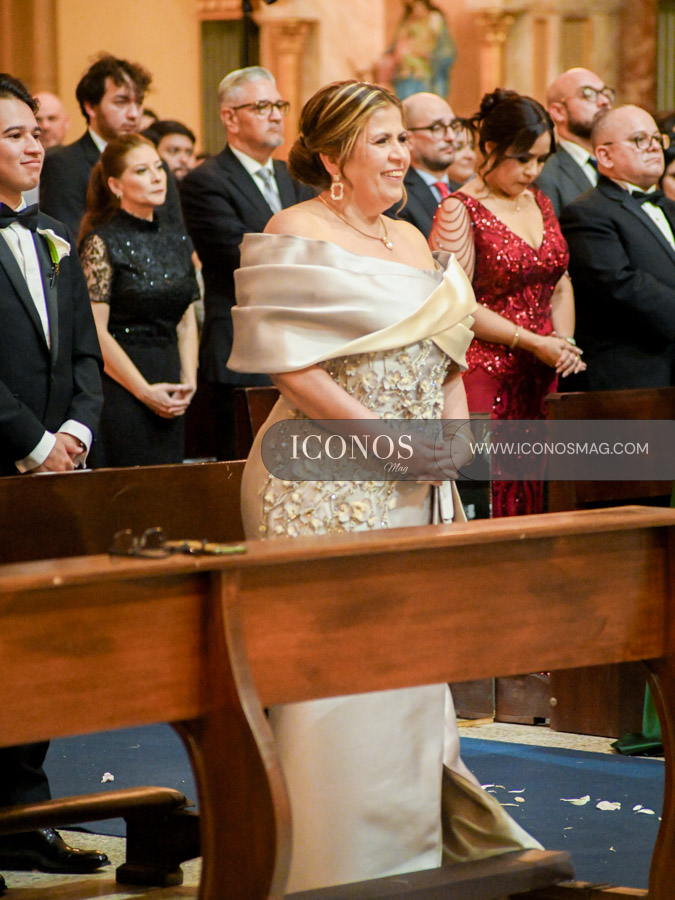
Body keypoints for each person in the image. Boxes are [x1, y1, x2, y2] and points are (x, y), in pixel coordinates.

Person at [228, 79, 542, 893]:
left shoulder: (407, 237)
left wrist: (452, 440)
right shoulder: (294, 230)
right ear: (334, 157)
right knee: (337, 681)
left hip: (414, 480)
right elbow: (291, 367)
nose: (402, 154)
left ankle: (411, 849)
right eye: (383, 141)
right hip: (322, 479)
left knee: (408, 668)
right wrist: (386, 442)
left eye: (403, 138)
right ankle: (331, 864)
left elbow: (446, 347)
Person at [0, 73, 107, 882]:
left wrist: (75, 428)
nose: (33, 146)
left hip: (52, 471)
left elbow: (82, 352)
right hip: (11, 458)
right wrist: (31, 441)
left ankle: (24, 818)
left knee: (35, 648)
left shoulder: (56, 234)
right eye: (13, 135)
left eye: (35, 133)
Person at [430, 89, 585, 516]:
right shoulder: (458, 210)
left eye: (541, 160)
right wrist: (532, 341)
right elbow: (454, 305)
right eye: (522, 158)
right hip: (484, 376)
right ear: (488, 147)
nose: (532, 171)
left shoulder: (540, 201)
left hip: (541, 374)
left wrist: (564, 341)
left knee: (541, 499)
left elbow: (560, 281)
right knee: (491, 500)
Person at [180, 65, 313, 460]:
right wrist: (309, 255)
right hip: (242, 347)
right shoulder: (206, 180)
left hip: (302, 345)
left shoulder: (293, 176)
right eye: (261, 106)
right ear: (230, 117)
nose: (275, 116)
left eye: (279, 106)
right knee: (246, 469)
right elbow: (242, 257)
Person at [79, 134, 199, 467]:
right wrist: (144, 390)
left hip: (171, 378)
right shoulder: (101, 241)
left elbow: (186, 319)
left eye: (159, 168)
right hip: (121, 383)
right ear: (115, 185)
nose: (157, 177)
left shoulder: (176, 237)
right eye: (142, 171)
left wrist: (189, 379)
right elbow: (96, 332)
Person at [560, 105, 675, 389]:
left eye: (657, 138)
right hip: (631, 377)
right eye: (639, 140)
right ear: (605, 156)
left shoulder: (670, 208)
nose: (654, 147)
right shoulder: (587, 212)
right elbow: (618, 283)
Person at [39, 54, 183, 236]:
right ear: (91, 107)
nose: (133, 114)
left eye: (139, 102)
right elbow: (65, 239)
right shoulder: (63, 164)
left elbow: (177, 236)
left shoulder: (158, 165)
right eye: (121, 102)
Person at [535, 68, 614, 216]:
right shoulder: (546, 173)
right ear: (558, 112)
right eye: (588, 94)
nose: (604, 102)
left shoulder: (619, 162)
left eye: (606, 93)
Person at [385, 91, 459, 237]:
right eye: (437, 128)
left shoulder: (463, 191)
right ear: (407, 138)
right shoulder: (397, 197)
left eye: (453, 126)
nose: (450, 137)